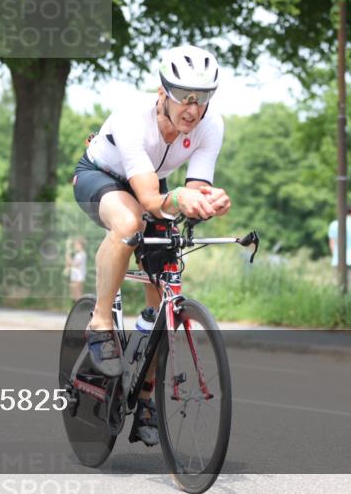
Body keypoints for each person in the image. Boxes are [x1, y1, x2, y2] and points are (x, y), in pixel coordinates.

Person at [71, 45, 231, 447]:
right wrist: (177, 199)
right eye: (185, 97)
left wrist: (208, 201)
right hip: (102, 177)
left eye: (204, 98)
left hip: (153, 187)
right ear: (164, 92)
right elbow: (147, 199)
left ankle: (145, 397)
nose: (193, 109)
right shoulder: (132, 119)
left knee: (164, 295)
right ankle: (101, 321)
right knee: (129, 223)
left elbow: (194, 187)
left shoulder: (212, 127)